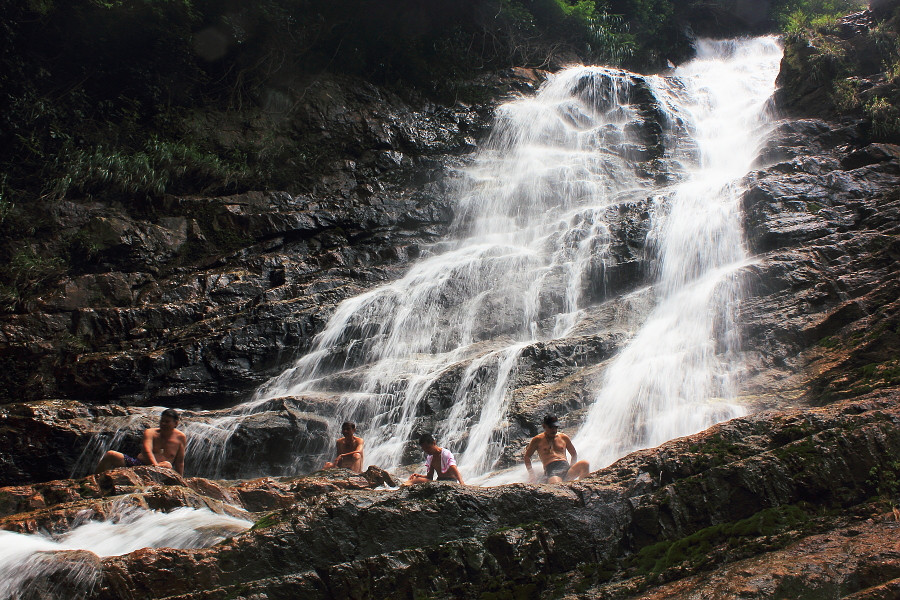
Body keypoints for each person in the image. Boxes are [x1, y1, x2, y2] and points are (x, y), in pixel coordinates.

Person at [95, 409, 187, 475]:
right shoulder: (150, 432)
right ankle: (95, 480)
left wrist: (180, 480)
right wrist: (155, 467)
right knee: (111, 454)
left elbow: (179, 462)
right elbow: (147, 451)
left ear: (176, 423)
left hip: (163, 472)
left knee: (167, 465)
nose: (163, 424)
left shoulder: (180, 437)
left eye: (167, 422)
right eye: (162, 421)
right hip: (139, 465)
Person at [523, 414, 590, 483]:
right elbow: (527, 457)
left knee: (585, 464)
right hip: (552, 471)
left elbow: (573, 453)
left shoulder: (563, 437)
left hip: (566, 469)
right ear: (544, 426)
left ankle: (582, 489)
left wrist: (572, 465)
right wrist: (531, 474)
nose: (554, 430)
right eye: (551, 427)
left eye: (556, 427)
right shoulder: (537, 439)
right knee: (558, 486)